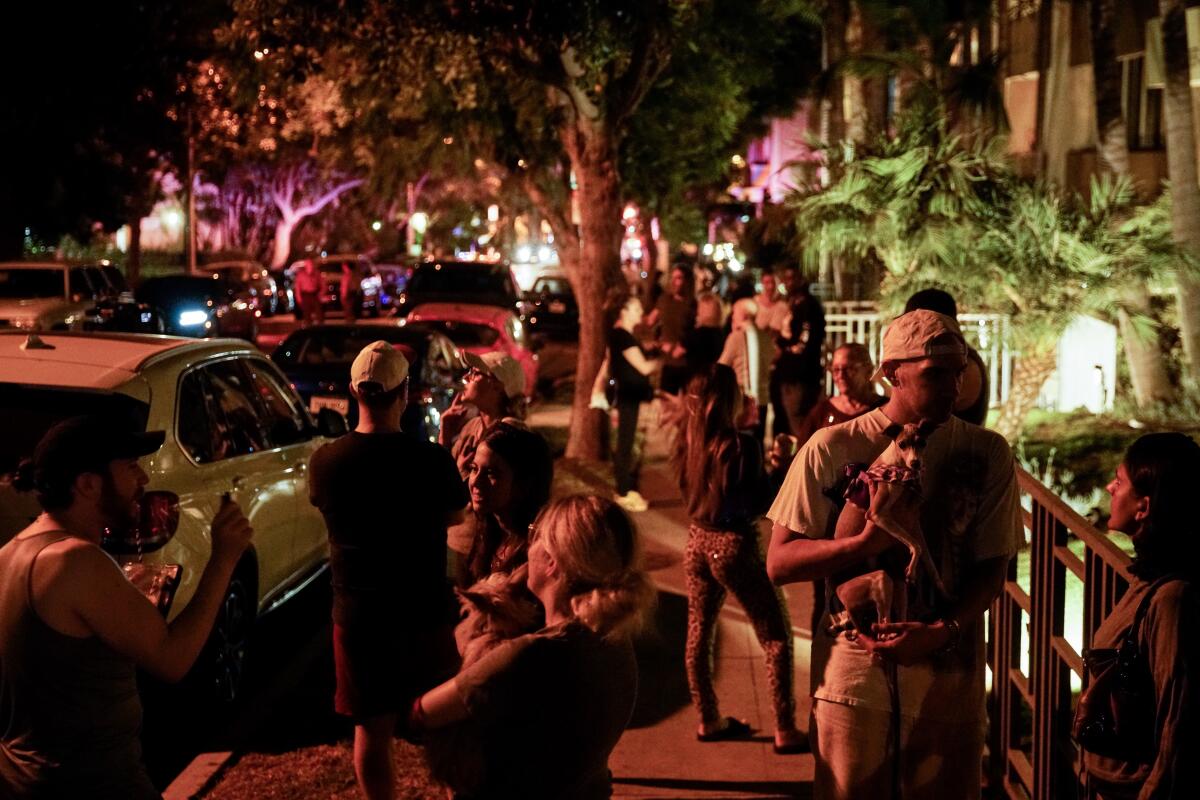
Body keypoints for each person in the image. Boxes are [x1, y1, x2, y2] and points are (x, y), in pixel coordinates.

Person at [766, 309, 1022, 800]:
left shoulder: (987, 453)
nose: (953, 384)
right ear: (891, 374)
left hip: (950, 686)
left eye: (959, 370)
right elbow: (778, 563)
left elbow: (993, 570)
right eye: (935, 373)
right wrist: (861, 545)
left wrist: (941, 631)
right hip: (854, 683)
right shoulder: (832, 446)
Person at [0, 416, 253, 798]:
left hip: (26, 780)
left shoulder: (14, 551)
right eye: (131, 467)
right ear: (88, 484)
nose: (143, 480)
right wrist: (224, 559)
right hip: (93, 783)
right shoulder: (75, 561)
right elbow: (172, 660)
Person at [407, 494, 655, 799]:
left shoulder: (530, 656)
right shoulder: (614, 640)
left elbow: (422, 713)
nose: (528, 545)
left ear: (552, 562)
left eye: (534, 535)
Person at [308, 341, 469, 800]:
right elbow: (455, 515)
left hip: (359, 617)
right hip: (424, 613)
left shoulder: (327, 462)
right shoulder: (429, 461)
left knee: (372, 732)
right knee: (445, 724)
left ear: (353, 392)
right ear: (406, 393)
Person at [672, 364, 807, 754]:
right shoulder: (739, 444)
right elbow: (763, 502)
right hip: (734, 545)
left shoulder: (687, 440)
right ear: (727, 398)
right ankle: (785, 728)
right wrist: (781, 468)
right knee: (776, 636)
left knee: (699, 633)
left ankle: (708, 718)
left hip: (696, 539)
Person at [1081, 433, 1200, 799]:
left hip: (1133, 788)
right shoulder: (1146, 578)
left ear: (1143, 507)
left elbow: (1177, 721)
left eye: (1119, 482)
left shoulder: (1171, 598)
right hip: (1111, 781)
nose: (1109, 487)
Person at [460, 422, 555, 587]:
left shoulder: (538, 551)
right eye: (474, 469)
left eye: (491, 473)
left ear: (523, 483)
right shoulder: (489, 532)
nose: (475, 481)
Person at [904, 288, 990, 426]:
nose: (908, 330)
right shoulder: (951, 357)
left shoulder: (961, 363)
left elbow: (919, 413)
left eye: (914, 323)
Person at [439, 351, 527, 482]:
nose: (466, 377)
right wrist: (445, 436)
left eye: (475, 373)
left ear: (498, 386)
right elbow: (439, 479)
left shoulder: (510, 433)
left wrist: (461, 474)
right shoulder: (472, 427)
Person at [608, 293, 659, 513]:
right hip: (626, 395)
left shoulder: (625, 335)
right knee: (625, 442)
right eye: (637, 309)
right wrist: (663, 359)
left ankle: (625, 487)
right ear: (624, 311)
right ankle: (623, 491)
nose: (641, 313)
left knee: (626, 441)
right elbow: (644, 367)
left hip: (629, 395)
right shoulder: (622, 336)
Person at [771, 265, 826, 441]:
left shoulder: (808, 305)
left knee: (800, 422)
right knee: (791, 421)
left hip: (799, 374)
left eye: (792, 278)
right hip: (791, 372)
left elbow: (806, 339)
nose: (788, 283)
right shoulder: (793, 303)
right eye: (786, 279)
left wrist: (787, 348)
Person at [801, 343, 887, 443]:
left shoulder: (885, 409)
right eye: (836, 369)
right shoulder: (821, 412)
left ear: (868, 371)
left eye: (849, 369)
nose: (841, 375)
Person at [718, 297, 777, 443]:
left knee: (742, 444)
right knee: (758, 444)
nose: (732, 317)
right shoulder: (765, 338)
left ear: (743, 315)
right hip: (762, 400)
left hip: (742, 401)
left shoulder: (736, 337)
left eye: (734, 313)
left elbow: (721, 367)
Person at [648, 265, 696, 394]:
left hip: (687, 362)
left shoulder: (693, 304)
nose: (674, 281)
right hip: (668, 361)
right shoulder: (664, 300)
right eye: (673, 277)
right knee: (667, 402)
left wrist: (681, 347)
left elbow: (695, 333)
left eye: (679, 278)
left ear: (687, 281)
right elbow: (650, 321)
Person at [294, 258, 324, 326]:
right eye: (308, 264)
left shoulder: (317, 273)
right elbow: (297, 287)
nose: (310, 265)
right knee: (307, 314)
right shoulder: (301, 274)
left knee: (319, 313)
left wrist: (321, 293)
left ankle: (321, 327)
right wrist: (298, 297)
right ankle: (308, 327)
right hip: (306, 295)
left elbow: (323, 284)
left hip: (314, 294)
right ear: (306, 265)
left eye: (311, 264)